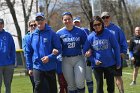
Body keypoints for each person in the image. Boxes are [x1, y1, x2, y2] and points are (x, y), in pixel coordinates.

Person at [25, 12, 61, 93]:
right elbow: (28, 52)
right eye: (37, 19)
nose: (39, 21)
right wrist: (30, 67)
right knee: (38, 87)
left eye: (41, 19)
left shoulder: (52, 33)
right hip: (37, 67)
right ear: (36, 21)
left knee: (52, 89)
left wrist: (50, 57)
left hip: (50, 67)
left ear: (45, 20)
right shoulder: (32, 35)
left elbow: (59, 49)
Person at [83, 16, 121, 93]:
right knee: (99, 86)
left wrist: (118, 62)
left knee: (111, 86)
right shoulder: (90, 37)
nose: (97, 26)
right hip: (97, 66)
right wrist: (93, 60)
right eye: (95, 25)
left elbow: (116, 47)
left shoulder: (109, 33)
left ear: (102, 24)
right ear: (92, 26)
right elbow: (85, 51)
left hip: (110, 64)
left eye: (99, 24)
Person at [57, 12, 87, 93]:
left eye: (69, 19)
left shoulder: (80, 31)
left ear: (72, 19)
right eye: (65, 19)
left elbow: (86, 44)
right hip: (66, 60)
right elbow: (56, 47)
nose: (67, 21)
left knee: (80, 82)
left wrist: (87, 51)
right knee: (71, 85)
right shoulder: (59, 33)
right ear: (62, 21)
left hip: (78, 58)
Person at [101, 11, 128, 93]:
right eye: (103, 18)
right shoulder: (100, 29)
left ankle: (121, 91)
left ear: (110, 17)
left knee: (118, 76)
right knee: (109, 79)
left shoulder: (116, 28)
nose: (105, 19)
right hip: (106, 58)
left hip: (116, 56)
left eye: (107, 17)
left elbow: (123, 41)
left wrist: (123, 52)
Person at [73, 17, 93, 93]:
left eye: (77, 22)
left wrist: (90, 52)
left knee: (88, 77)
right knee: (78, 78)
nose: (76, 24)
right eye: (75, 22)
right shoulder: (71, 31)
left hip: (85, 56)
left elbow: (90, 42)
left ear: (80, 22)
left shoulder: (85, 30)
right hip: (77, 56)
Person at [0, 18, 16, 93]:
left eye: (1, 24)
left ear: (3, 25)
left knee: (8, 85)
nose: (0, 25)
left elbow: (13, 49)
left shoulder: (8, 35)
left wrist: (12, 62)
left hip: (8, 65)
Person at [22, 20, 36, 92]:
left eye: (35, 25)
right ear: (28, 27)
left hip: (41, 64)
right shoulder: (26, 38)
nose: (33, 26)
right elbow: (26, 52)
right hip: (32, 63)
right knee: (35, 84)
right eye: (31, 25)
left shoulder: (40, 35)